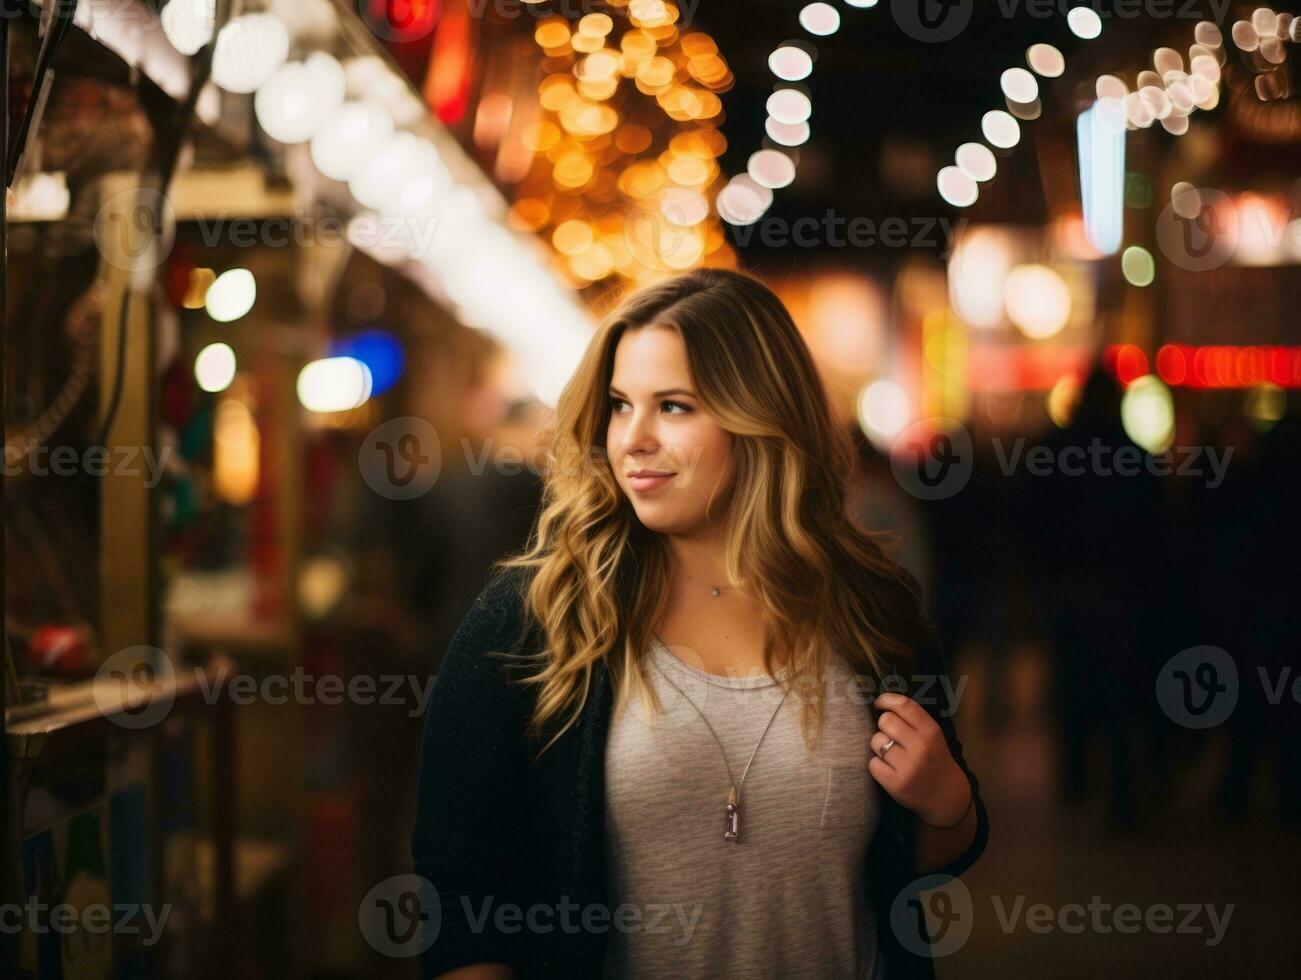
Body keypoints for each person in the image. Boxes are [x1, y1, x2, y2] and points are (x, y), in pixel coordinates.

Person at [411, 268, 988, 979]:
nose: (633, 439)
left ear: (762, 416)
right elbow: (463, 907)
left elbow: (918, 862)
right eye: (620, 406)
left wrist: (949, 801)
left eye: (674, 407)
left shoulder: (871, 610)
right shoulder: (531, 619)